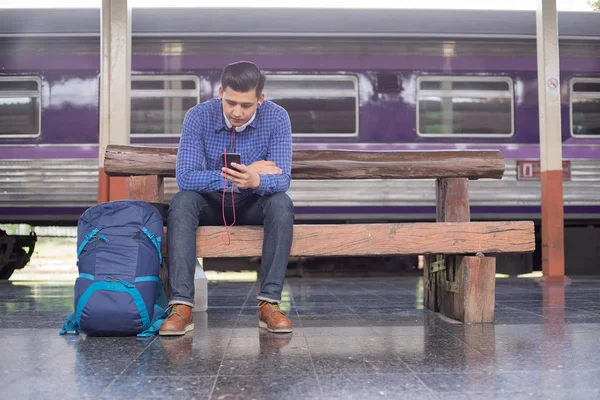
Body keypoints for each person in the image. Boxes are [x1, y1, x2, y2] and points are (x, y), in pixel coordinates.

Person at [159, 61, 294, 336]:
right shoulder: (198, 116)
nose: (237, 112)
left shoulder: (278, 117)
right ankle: (181, 307)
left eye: (246, 105)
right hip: (210, 202)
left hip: (253, 203)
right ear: (221, 91)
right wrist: (239, 176)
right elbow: (186, 177)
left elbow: (282, 180)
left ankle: (269, 303)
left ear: (260, 99)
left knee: (282, 204)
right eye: (230, 102)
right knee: (182, 201)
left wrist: (256, 180)